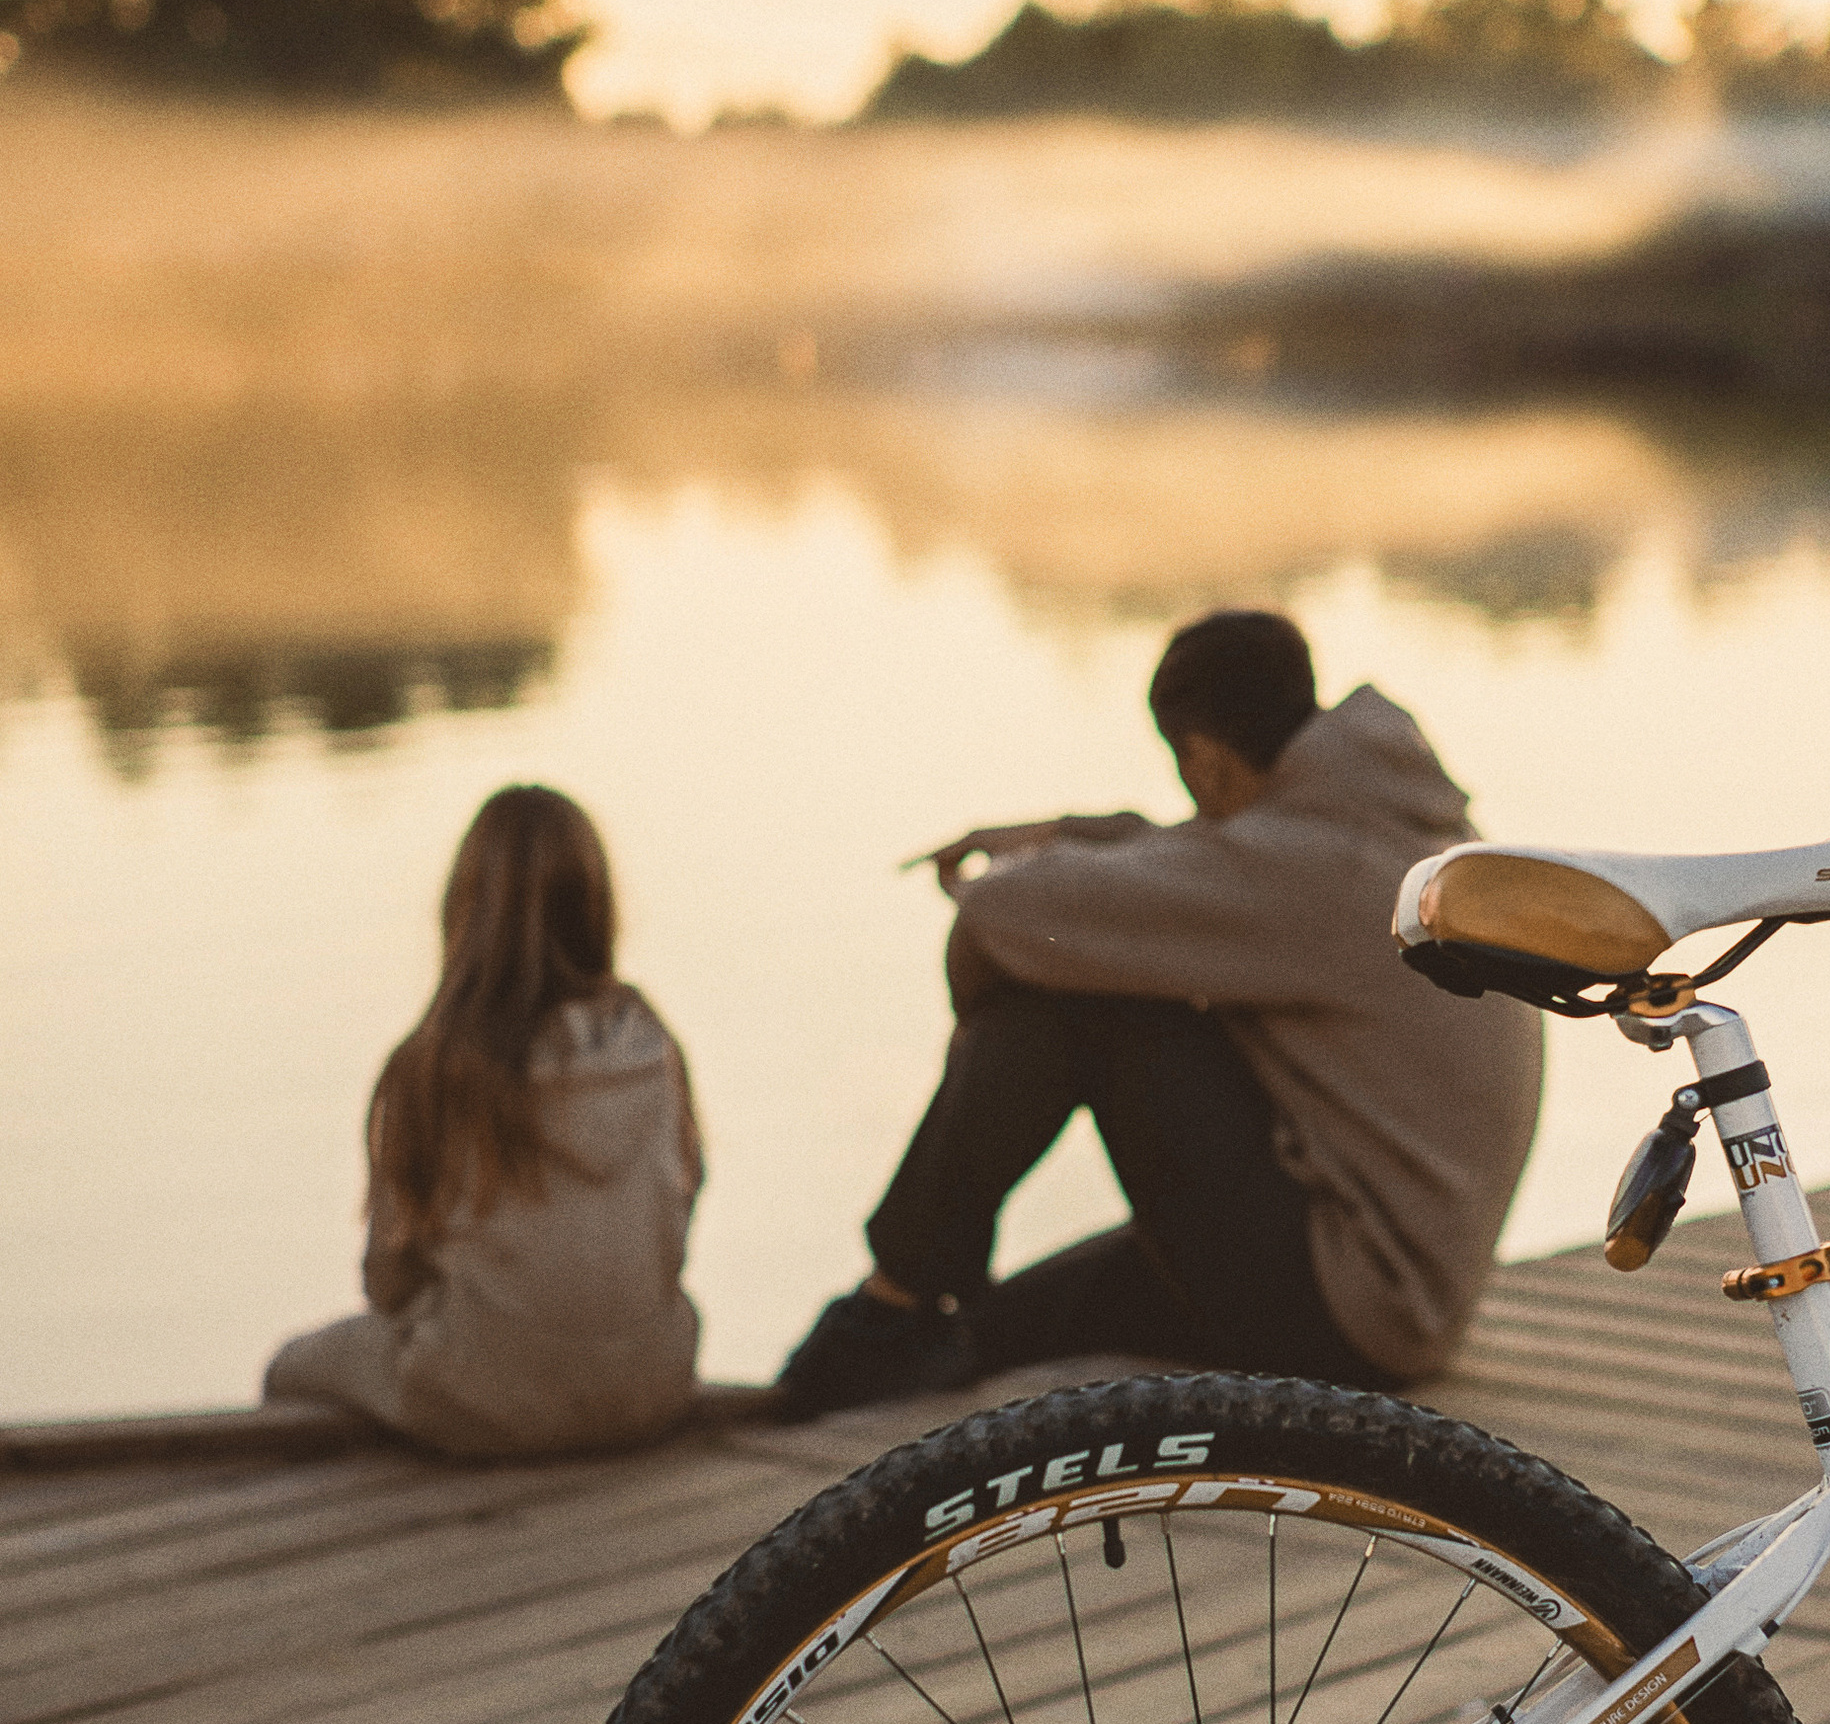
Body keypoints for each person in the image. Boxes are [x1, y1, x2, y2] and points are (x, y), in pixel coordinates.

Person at [774, 609, 1541, 1417]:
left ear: (1203, 760)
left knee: (1081, 1003)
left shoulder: (1312, 869)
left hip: (1347, 1306)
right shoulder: (1386, 829)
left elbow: (1003, 919)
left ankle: (892, 1297)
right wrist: (1068, 833)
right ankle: (888, 1342)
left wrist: (988, 1019)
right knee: (987, 1333)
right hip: (1381, 1286)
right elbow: (1212, 860)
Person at [265, 785, 705, 1457]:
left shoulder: (432, 1066)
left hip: (486, 1404)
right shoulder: (651, 1044)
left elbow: (390, 1279)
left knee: (290, 1366)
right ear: (596, 907)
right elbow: (676, 1219)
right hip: (654, 1388)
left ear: (464, 910)